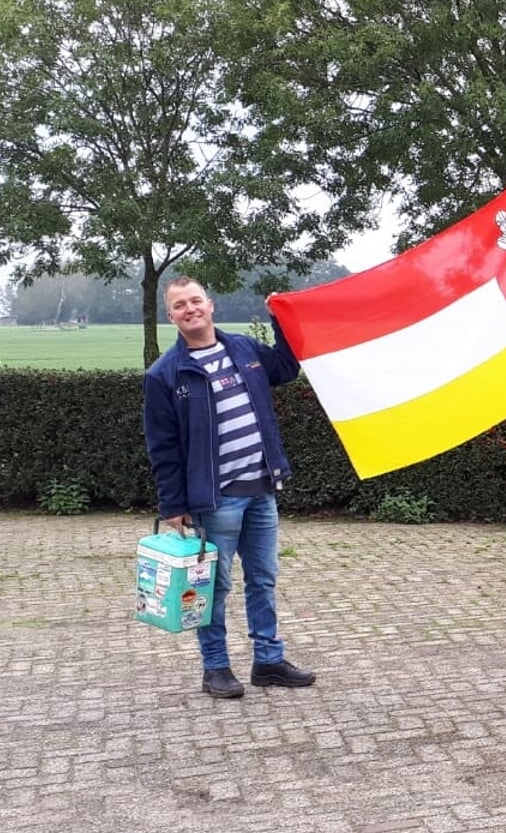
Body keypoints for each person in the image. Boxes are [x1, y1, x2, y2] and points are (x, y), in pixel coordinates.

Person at [142, 276, 316, 699]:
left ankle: (269, 661)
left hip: (261, 489)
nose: (190, 309)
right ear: (171, 316)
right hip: (215, 498)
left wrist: (280, 318)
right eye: (180, 305)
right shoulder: (165, 374)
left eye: (196, 300)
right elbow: (162, 447)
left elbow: (287, 367)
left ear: (211, 304)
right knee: (212, 588)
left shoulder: (243, 348)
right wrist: (173, 504)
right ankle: (216, 668)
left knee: (263, 579)